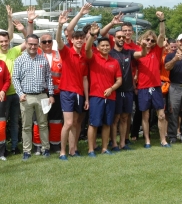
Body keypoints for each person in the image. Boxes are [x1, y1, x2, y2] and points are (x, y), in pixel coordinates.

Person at [0, 5, 32, 154]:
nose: (4, 43)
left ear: (9, 41)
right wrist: (9, 19)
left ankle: (15, 147)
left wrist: (22, 26)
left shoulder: (14, 51)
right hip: (1, 94)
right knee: (2, 122)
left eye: (6, 41)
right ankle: (2, 147)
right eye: (1, 41)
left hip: (16, 93)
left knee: (15, 123)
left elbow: (29, 40)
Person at [12, 34, 55, 161]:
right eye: (30, 44)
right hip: (26, 97)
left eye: (35, 44)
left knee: (43, 124)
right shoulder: (20, 60)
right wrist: (20, 93)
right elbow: (15, 78)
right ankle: (27, 151)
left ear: (38, 45)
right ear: (26, 44)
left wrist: (51, 94)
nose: (33, 46)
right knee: (26, 126)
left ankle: (45, 148)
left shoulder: (42, 59)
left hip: (42, 95)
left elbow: (49, 78)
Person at [56, 8, 90, 160]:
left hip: (79, 93)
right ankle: (62, 151)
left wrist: (87, 98)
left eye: (81, 38)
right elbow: (58, 41)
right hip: (66, 92)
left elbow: (84, 79)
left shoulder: (84, 56)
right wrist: (59, 26)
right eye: (76, 38)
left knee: (76, 122)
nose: (79, 40)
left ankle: (73, 150)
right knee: (68, 123)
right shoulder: (67, 52)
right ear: (72, 40)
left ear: (84, 40)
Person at [85, 24, 122, 156]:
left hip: (110, 97)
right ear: (98, 47)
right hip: (96, 96)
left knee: (107, 123)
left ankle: (105, 148)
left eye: (107, 46)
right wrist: (92, 35)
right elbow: (87, 48)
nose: (105, 47)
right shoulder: (93, 57)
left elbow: (119, 80)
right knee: (94, 124)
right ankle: (90, 149)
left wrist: (111, 89)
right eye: (103, 46)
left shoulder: (115, 62)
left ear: (110, 47)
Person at [136, 12, 171, 148]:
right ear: (143, 39)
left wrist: (162, 20)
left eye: (152, 40)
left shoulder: (157, 50)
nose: (150, 42)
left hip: (156, 87)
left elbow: (162, 35)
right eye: (147, 39)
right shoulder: (138, 52)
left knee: (161, 115)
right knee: (145, 116)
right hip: (143, 87)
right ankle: (147, 140)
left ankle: (163, 140)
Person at [39, 32, 63, 152]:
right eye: (44, 42)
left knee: (55, 120)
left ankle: (55, 144)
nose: (47, 44)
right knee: (39, 121)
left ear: (52, 43)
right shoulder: (36, 54)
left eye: (49, 41)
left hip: (57, 93)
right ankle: (38, 146)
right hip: (41, 93)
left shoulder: (59, 55)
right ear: (40, 44)